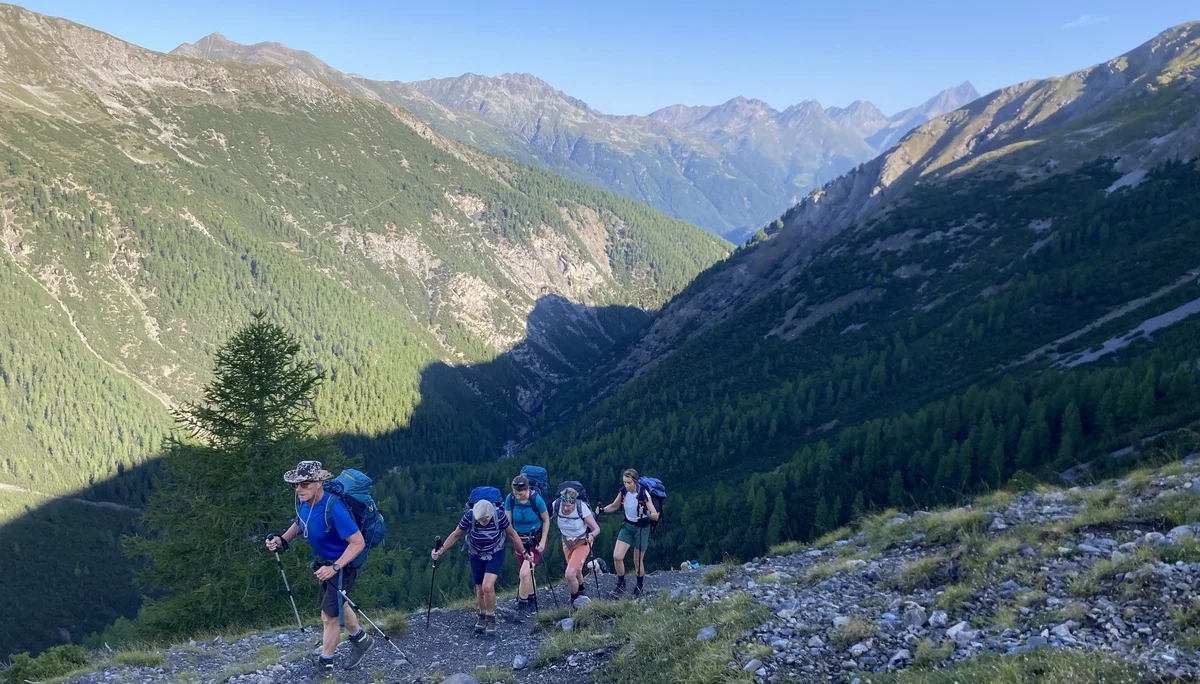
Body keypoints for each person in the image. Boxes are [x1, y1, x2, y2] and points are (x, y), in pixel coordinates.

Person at [265, 461, 375, 682]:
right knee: (340, 603)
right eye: (296, 484)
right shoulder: (305, 501)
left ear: (318, 483)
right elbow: (301, 522)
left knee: (329, 616)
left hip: (344, 565)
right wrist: (282, 540)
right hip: (327, 564)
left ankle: (325, 665)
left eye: (304, 484)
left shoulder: (334, 507)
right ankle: (361, 640)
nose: (299, 489)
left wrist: (335, 567)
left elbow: (357, 542)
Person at [432, 498, 531, 635]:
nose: (482, 523)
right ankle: (482, 615)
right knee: (479, 588)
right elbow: (456, 535)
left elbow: (512, 534)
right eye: (480, 520)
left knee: (487, 586)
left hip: (495, 552)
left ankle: (491, 617)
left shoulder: (499, 516)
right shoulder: (469, 517)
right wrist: (441, 550)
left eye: (485, 520)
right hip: (475, 554)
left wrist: (524, 552)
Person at [598, 468, 659, 598]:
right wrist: (602, 510)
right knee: (617, 556)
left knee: (637, 561)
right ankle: (621, 583)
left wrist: (648, 517)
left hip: (641, 528)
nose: (627, 485)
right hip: (628, 525)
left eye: (629, 482)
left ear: (635, 481)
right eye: (625, 482)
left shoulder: (643, 494)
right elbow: (615, 506)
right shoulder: (623, 491)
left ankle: (639, 587)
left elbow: (655, 514)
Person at [504, 474, 549, 618]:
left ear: (527, 489)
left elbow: (546, 520)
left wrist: (543, 542)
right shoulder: (510, 499)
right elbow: (508, 523)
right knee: (529, 573)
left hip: (535, 541)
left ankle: (521, 607)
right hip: (519, 541)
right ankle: (532, 600)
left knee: (524, 574)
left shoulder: (537, 500)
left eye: (521, 493)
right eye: (516, 493)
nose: (518, 496)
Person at [553, 486, 600, 607]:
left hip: (582, 541)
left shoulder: (581, 508)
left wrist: (591, 535)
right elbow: (545, 518)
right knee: (576, 570)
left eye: (569, 506)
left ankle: (574, 600)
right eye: (564, 505)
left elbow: (596, 529)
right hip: (567, 542)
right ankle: (582, 590)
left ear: (574, 503)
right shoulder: (556, 505)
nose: (565, 508)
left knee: (569, 574)